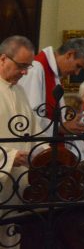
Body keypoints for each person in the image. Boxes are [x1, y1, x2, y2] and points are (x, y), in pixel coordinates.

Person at [21, 37, 84, 136]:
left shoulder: (53, 73)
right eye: (78, 66)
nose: (77, 73)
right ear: (69, 54)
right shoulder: (36, 69)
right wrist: (60, 127)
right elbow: (28, 116)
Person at [0, 36, 37, 204]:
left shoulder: (20, 91)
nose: (25, 72)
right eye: (21, 66)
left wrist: (44, 154)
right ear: (3, 59)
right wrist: (9, 157)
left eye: (28, 66)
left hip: (18, 185)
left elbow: (35, 132)